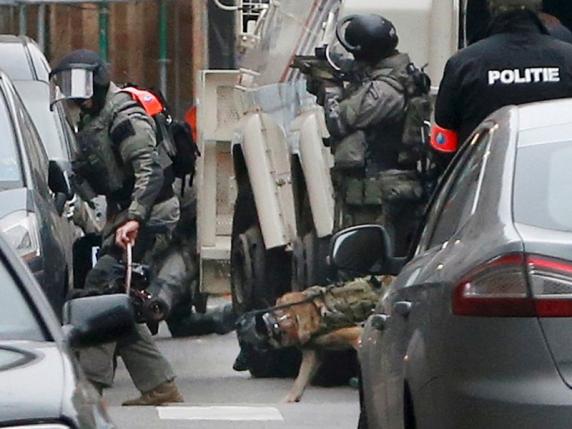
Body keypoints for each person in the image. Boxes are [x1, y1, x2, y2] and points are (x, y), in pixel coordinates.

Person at [50, 49, 183, 406]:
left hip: (150, 216)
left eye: (74, 82)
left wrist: (136, 217)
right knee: (115, 299)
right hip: (126, 216)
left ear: (95, 80)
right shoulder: (92, 117)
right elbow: (89, 169)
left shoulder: (123, 114)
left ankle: (89, 389)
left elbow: (150, 172)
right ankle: (159, 385)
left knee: (99, 292)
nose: (69, 92)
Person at [320, 14, 429, 255]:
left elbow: (339, 121)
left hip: (379, 190)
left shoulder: (386, 89)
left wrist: (330, 91)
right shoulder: (392, 79)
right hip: (379, 187)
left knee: (364, 260)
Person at [432, 0, 572, 167]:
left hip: (483, 183)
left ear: (492, 9)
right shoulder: (567, 59)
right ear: (537, 8)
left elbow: (444, 142)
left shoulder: (464, 64)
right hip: (556, 181)